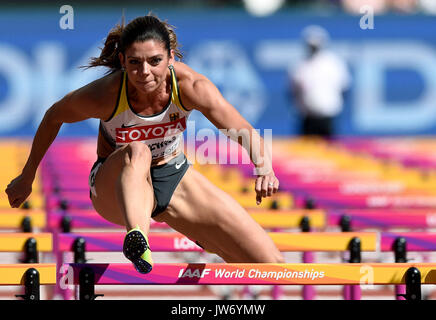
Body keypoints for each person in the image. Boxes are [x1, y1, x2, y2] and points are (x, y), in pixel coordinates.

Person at [5, 14, 284, 274]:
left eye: (154, 61)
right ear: (123, 61)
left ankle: (182, 234)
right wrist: (27, 177)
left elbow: (244, 130)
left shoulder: (191, 86)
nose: (145, 72)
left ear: (170, 58)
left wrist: (264, 167)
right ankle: (138, 239)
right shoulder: (106, 94)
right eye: (135, 63)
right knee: (137, 150)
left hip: (171, 175)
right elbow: (54, 116)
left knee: (272, 265)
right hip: (114, 185)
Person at [289, 25, 351, 139]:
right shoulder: (300, 65)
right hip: (307, 117)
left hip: (328, 116)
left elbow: (344, 88)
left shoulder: (333, 63)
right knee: (307, 151)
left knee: (329, 150)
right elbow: (293, 91)